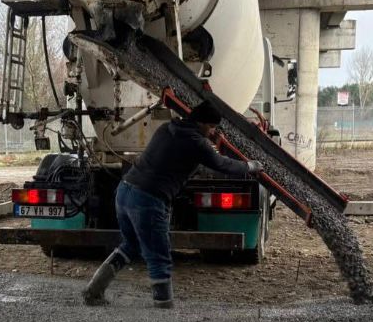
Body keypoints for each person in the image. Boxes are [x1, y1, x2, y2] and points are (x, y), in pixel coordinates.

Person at [83, 101, 262, 308]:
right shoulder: (197, 143)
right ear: (202, 123)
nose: (213, 131)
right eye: (212, 127)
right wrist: (250, 166)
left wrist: (209, 142)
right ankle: (164, 307)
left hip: (125, 191)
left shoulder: (167, 128)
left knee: (131, 245)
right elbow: (222, 165)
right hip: (148, 199)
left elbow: (185, 157)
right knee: (159, 256)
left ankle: (93, 291)